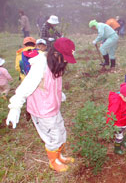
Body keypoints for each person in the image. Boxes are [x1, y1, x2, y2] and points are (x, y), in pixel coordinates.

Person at [6, 37, 77, 172]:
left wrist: (59, 94)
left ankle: (59, 155)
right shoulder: (40, 66)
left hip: (52, 106)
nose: (67, 61)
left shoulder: (56, 63)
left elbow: (54, 83)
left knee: (61, 131)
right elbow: (25, 86)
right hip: (42, 110)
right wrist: (15, 107)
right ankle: (53, 161)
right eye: (66, 57)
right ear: (56, 54)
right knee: (52, 136)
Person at [106, 82, 126, 155]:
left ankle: (125, 141)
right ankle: (117, 149)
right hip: (117, 124)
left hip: (124, 121)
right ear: (124, 96)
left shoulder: (124, 98)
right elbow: (111, 113)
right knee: (119, 137)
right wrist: (110, 125)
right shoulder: (116, 102)